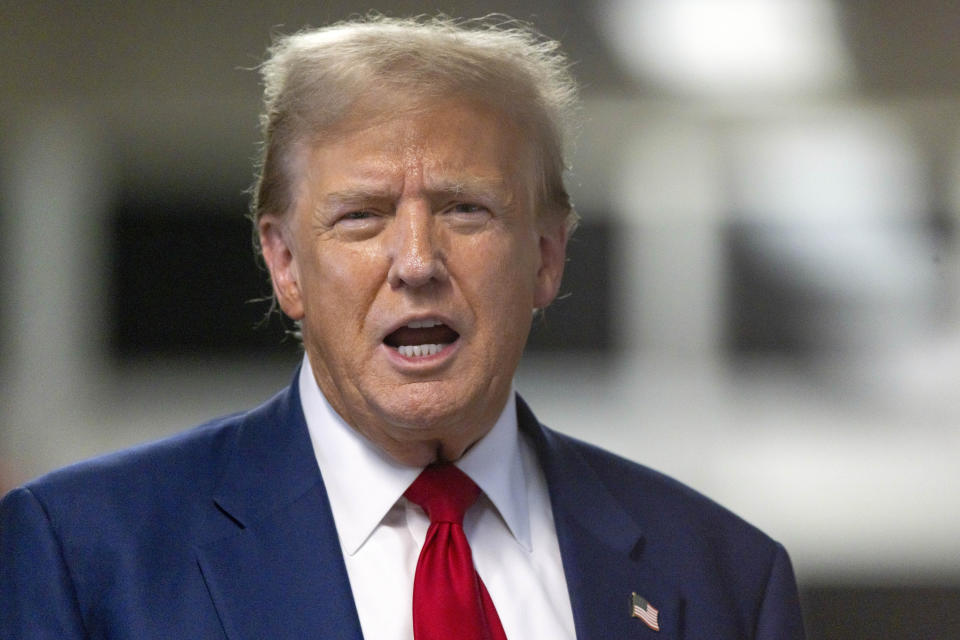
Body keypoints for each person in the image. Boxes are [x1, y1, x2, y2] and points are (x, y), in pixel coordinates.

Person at [0, 15, 805, 639]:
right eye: (361, 217)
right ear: (285, 265)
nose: (417, 260)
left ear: (548, 255)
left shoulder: (723, 577)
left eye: (465, 209)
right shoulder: (84, 557)